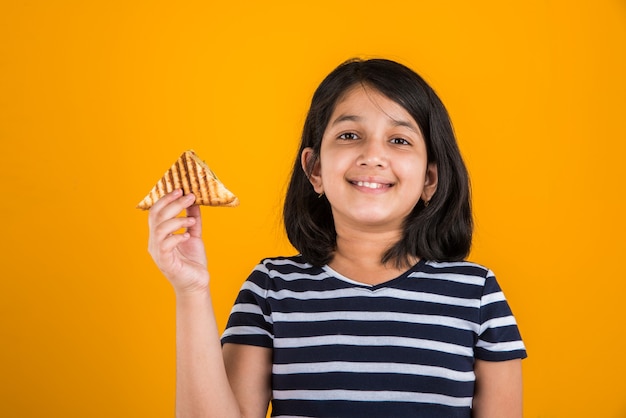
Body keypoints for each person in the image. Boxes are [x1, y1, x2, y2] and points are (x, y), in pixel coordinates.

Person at [147, 58, 527, 418]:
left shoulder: (477, 295)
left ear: (430, 178)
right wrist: (191, 291)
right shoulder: (271, 290)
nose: (372, 155)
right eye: (349, 135)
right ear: (314, 169)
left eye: (399, 140)